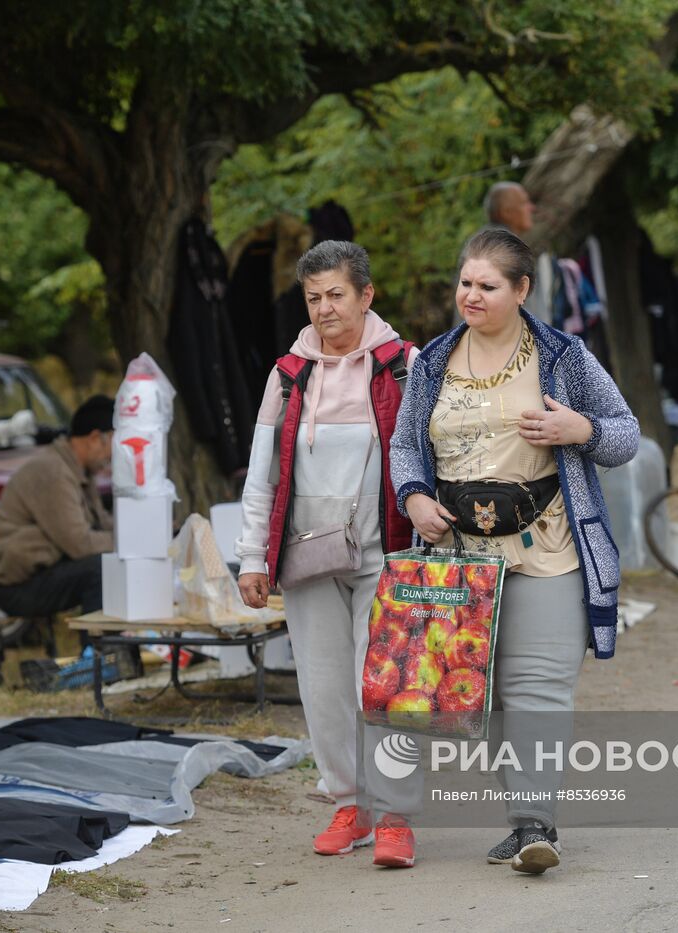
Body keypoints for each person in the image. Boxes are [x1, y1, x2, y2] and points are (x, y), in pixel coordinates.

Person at [389, 226, 639, 874]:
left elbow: (625, 434)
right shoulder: (433, 361)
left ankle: (536, 822)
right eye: (465, 282)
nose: (470, 295)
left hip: (547, 546)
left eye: (487, 285)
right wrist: (414, 496)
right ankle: (520, 815)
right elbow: (404, 446)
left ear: (521, 289)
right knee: (490, 692)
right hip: (461, 557)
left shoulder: (562, 356)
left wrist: (577, 428)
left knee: (539, 688)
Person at [234, 240, 421, 868]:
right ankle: (350, 804)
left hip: (387, 553)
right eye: (313, 298)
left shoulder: (405, 366)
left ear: (366, 295)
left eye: (336, 295)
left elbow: (428, 461)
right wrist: (251, 558)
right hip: (307, 555)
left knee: (388, 684)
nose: (324, 309)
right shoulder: (289, 375)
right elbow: (260, 474)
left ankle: (395, 815)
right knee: (323, 685)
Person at [0, 395, 115, 617]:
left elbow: (102, 523)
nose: (114, 455)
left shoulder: (80, 470)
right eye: (116, 442)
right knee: (101, 569)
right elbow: (81, 544)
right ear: (95, 438)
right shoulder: (54, 472)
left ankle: (117, 647)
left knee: (110, 564)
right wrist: (130, 544)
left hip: (47, 570)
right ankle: (97, 650)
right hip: (19, 585)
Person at [483, 182, 556, 326]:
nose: (532, 208)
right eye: (524, 203)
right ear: (506, 212)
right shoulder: (499, 246)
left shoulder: (494, 241)